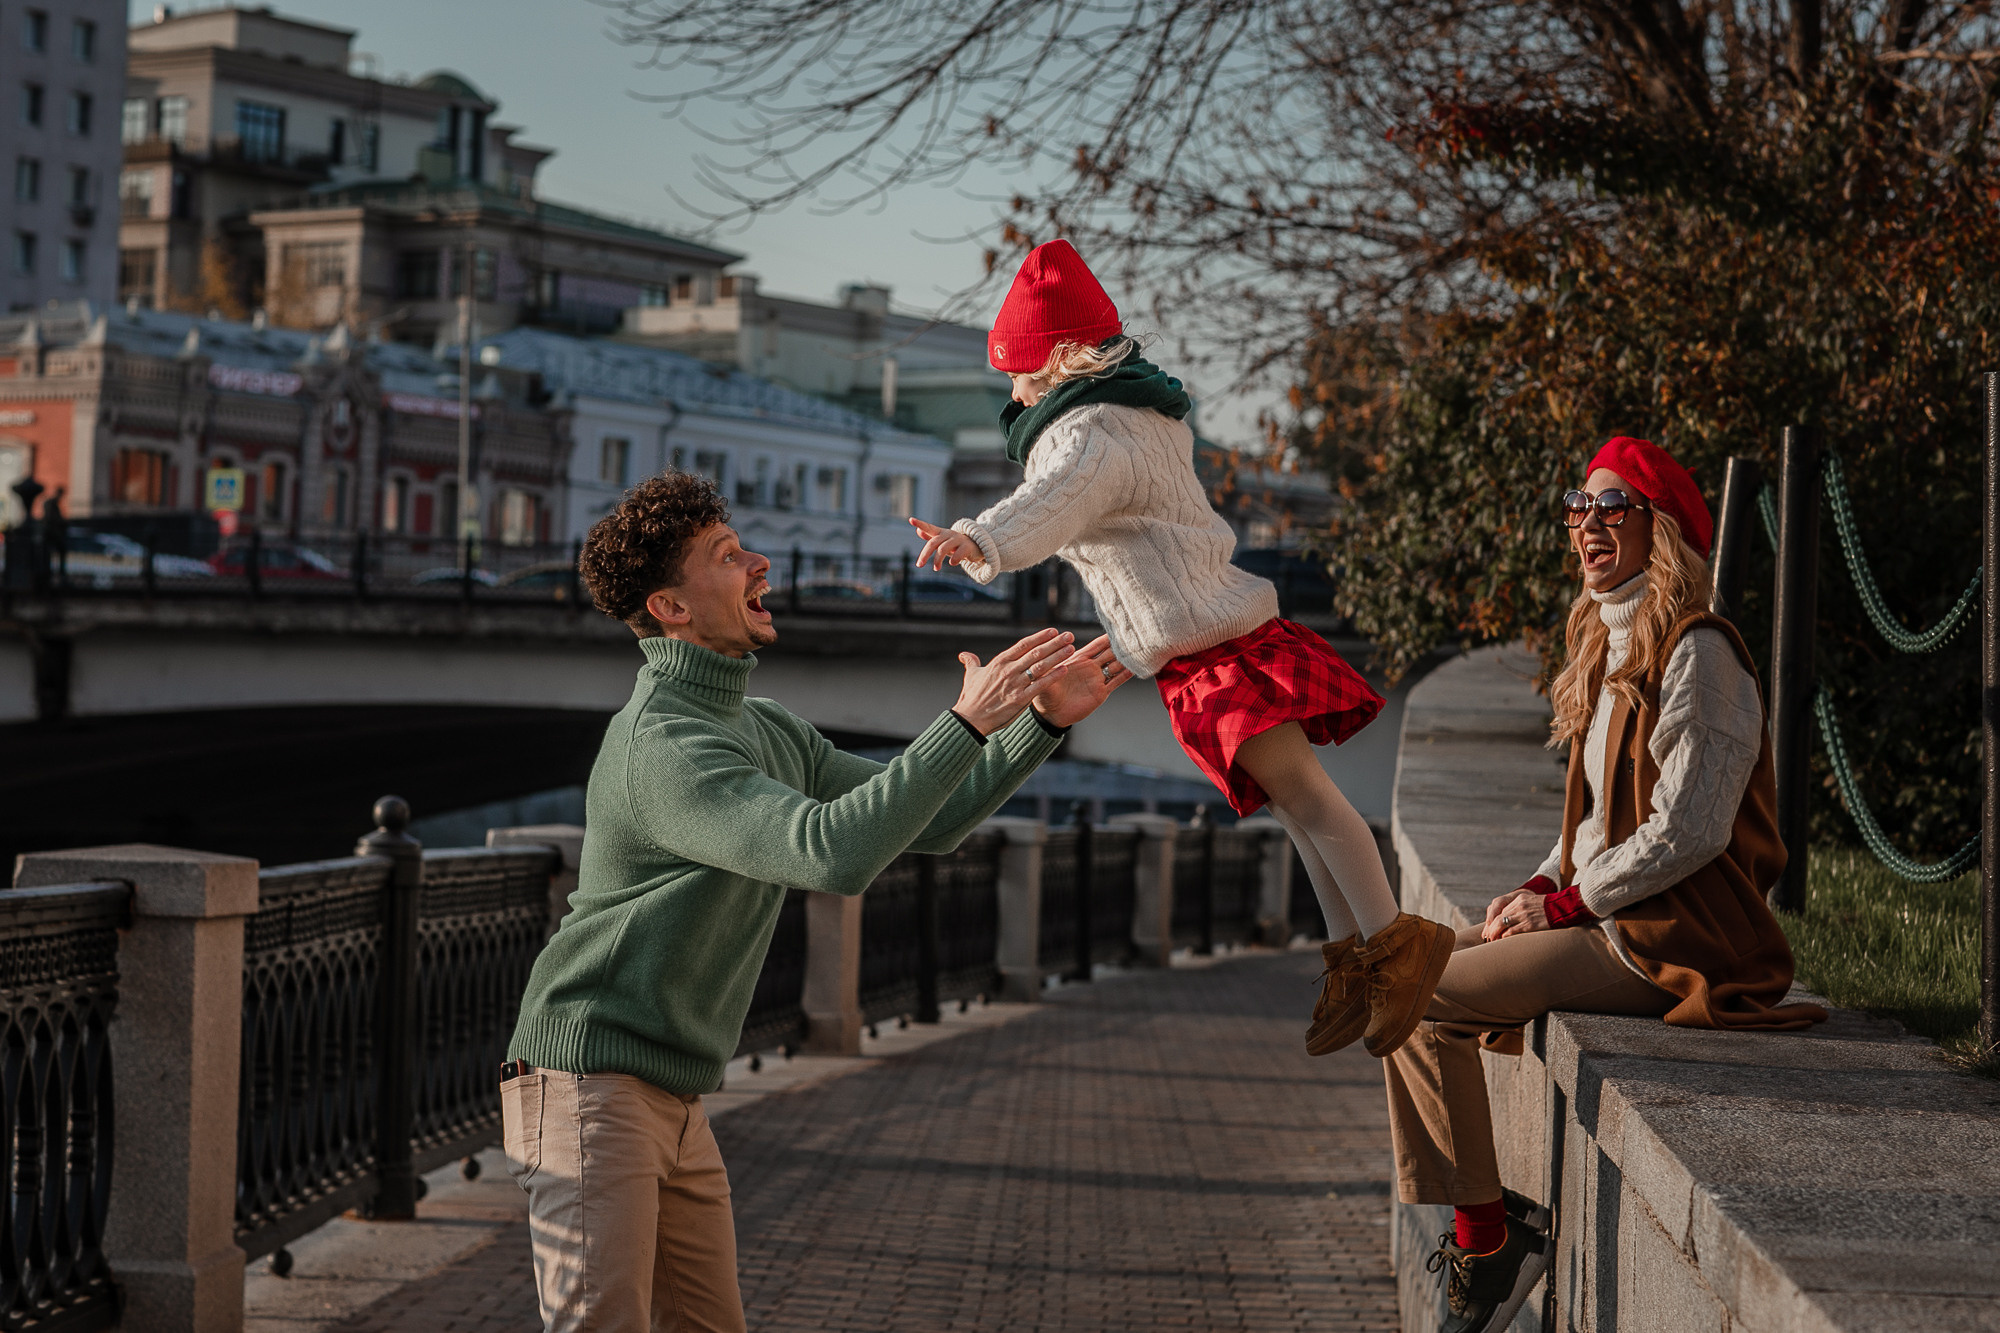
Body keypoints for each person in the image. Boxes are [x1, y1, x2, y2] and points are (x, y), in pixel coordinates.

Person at [501, 472, 1132, 1332]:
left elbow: (927, 820)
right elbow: (830, 851)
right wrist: (965, 723)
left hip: (670, 1095)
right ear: (671, 607)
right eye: (728, 556)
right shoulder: (665, 741)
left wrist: (1037, 725)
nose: (761, 562)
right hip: (590, 1083)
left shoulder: (766, 728)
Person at [910, 238, 1455, 1061]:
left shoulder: (1088, 432)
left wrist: (973, 537)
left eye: (1019, 372)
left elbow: (1050, 503)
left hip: (1216, 648)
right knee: (1297, 804)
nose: (1013, 391)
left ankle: (1393, 943)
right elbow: (1146, 553)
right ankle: (1352, 955)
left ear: (1059, 362)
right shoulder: (1139, 414)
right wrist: (1125, 641)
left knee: (1307, 798)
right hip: (1212, 637)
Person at [1391, 437, 1827, 1333]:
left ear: (1659, 528)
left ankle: (1490, 1237)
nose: (1587, 523)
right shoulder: (1612, 644)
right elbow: (1592, 827)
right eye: (1578, 506)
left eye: (1611, 505)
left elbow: (1690, 829)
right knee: (1389, 970)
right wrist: (1536, 885)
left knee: (1418, 994)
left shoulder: (1702, 657)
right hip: (1612, 914)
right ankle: (1487, 1225)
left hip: (1675, 935)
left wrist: (1567, 903)